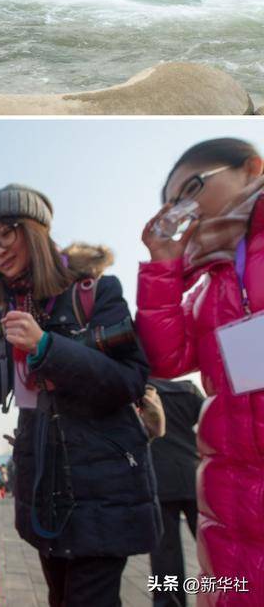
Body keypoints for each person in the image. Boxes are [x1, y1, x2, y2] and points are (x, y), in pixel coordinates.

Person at [0, 184, 161, 607]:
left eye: (3, 234)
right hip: (44, 482)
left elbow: (129, 380)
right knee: (58, 597)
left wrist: (47, 347)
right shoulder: (5, 313)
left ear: (34, 229)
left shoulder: (96, 291)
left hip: (103, 483)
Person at [136, 137, 264, 607]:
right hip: (232, 504)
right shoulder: (210, 281)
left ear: (252, 169)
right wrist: (163, 267)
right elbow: (166, 360)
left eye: (191, 189)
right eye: (170, 203)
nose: (181, 209)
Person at [148, 378, 204, 607]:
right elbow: (209, 424)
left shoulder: (142, 389)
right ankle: (230, 595)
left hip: (159, 479)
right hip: (194, 476)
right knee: (215, 549)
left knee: (165, 553)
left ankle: (168, 603)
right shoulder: (190, 390)